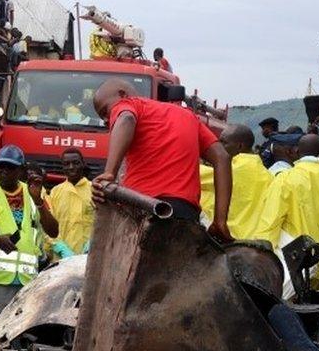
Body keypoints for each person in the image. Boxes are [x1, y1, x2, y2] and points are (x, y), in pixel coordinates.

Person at [90, 79, 234, 241]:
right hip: (186, 214)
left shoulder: (129, 105)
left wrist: (109, 173)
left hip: (143, 210)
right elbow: (222, 157)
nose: (106, 120)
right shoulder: (188, 116)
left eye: (105, 112)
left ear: (123, 95)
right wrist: (220, 221)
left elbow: (126, 119)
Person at [0, 146, 59, 321]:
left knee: (20, 337)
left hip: (27, 280)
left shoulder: (34, 193)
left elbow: (53, 231)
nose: (4, 171)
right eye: (1, 166)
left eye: (11, 167)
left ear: (21, 170)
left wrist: (38, 201)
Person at [254, 135, 319, 299]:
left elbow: (268, 224)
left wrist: (259, 262)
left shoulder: (285, 180)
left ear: (297, 152)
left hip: (301, 269)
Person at [205, 124, 274, 239]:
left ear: (240, 146)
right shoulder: (269, 176)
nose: (219, 147)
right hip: (252, 242)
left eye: (223, 142)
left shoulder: (231, 168)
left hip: (224, 239)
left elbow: (198, 175)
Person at [46, 148, 94, 258]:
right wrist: (60, 247)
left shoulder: (94, 191)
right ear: (62, 167)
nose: (71, 167)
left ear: (83, 164)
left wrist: (93, 242)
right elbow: (47, 226)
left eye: (75, 163)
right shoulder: (55, 192)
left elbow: (103, 224)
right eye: (67, 164)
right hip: (61, 260)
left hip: (89, 259)